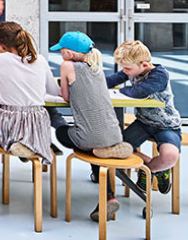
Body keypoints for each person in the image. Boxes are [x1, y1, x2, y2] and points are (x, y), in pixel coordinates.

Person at [49, 31, 134, 221]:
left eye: (61, 50)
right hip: (114, 134)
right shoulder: (97, 68)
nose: (60, 54)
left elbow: (65, 97)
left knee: (62, 132)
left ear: (69, 53)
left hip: (87, 137)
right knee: (95, 147)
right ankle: (108, 196)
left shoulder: (67, 65)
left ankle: (53, 117)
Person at [107, 40, 182, 195]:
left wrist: (123, 90)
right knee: (115, 148)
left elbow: (140, 91)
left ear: (144, 65)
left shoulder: (159, 75)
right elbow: (112, 80)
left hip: (166, 125)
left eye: (127, 68)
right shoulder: (133, 69)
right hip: (143, 123)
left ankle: (149, 170)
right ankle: (155, 170)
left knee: (170, 156)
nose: (124, 71)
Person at [0, 22, 59, 163]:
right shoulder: (40, 60)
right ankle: (32, 142)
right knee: (42, 120)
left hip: (10, 119)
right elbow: (54, 91)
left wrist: (3, 91)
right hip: (38, 122)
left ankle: (18, 142)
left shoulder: (0, 59)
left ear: (1, 45)